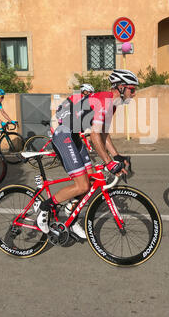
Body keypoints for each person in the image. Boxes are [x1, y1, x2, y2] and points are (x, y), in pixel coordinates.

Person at [37, 69, 139, 238]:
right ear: (121, 87)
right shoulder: (105, 101)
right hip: (63, 135)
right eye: (132, 89)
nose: (133, 94)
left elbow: (104, 134)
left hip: (74, 136)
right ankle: (44, 207)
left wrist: (116, 156)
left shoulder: (111, 105)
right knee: (82, 185)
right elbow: (94, 135)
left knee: (90, 182)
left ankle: (72, 217)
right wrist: (108, 162)